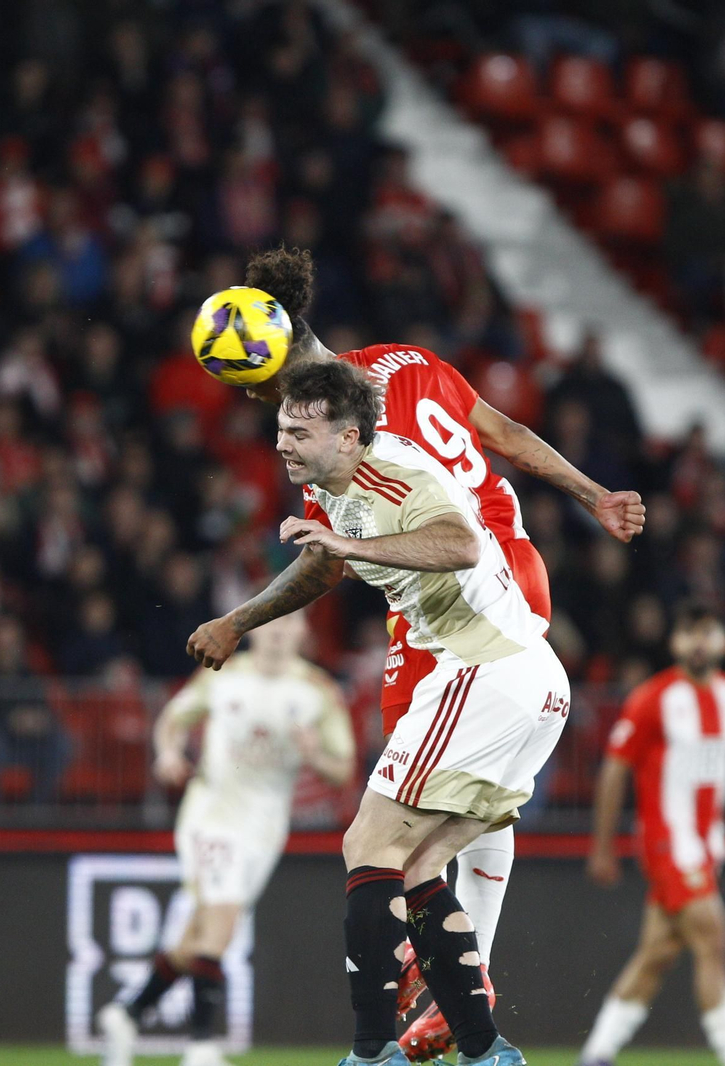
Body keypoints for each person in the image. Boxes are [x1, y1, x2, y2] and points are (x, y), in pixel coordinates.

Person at [188, 246, 646, 1060]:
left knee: (387, 829)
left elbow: (373, 551)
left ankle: (452, 992)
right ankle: (468, 1007)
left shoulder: (344, 441)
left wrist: (246, 615)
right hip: (514, 568)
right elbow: (503, 433)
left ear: (260, 380)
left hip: (459, 597)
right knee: (441, 818)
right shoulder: (406, 361)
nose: (276, 427)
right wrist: (593, 495)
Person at [195, 360, 569, 1066]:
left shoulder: (394, 471)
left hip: (486, 670)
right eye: (280, 428)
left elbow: (460, 541)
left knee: (367, 847)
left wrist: (348, 545)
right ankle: (487, 1051)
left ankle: (370, 1056)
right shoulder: (335, 486)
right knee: (422, 864)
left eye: (301, 432)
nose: (283, 443)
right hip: (525, 683)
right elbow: (317, 568)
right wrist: (238, 622)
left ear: (349, 437)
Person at [99, 612, 355, 1066]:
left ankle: (127, 1013)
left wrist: (315, 753)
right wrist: (168, 752)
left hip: (265, 826)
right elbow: (173, 719)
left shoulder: (318, 692)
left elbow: (343, 768)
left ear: (304, 632)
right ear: (254, 628)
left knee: (200, 933)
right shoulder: (221, 676)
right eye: (271, 621)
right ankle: (200, 1047)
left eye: (289, 622)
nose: (277, 631)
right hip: (212, 815)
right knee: (222, 920)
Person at [579, 603, 725, 1066]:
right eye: (689, 632)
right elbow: (615, 772)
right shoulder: (653, 698)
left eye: (708, 632)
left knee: (657, 954)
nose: (698, 642)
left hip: (707, 844)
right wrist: (602, 846)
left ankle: (595, 1056)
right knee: (714, 936)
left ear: (724, 642)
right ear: (674, 642)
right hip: (667, 840)